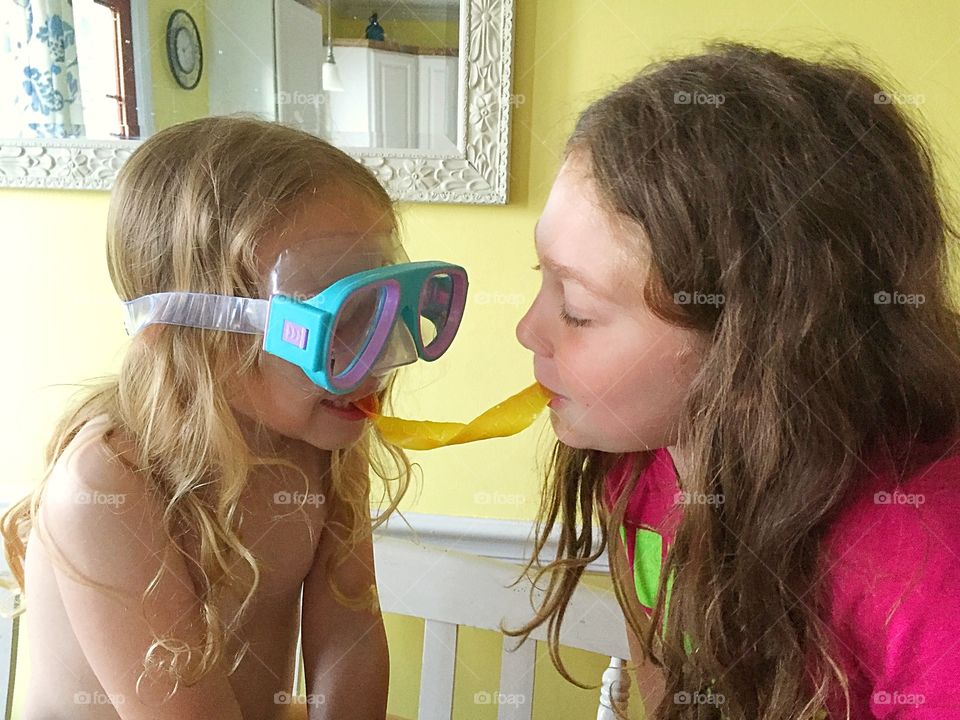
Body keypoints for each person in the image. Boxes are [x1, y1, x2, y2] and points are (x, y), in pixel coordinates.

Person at [512, 42, 960, 719]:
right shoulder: (636, 467)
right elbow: (669, 682)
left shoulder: (927, 574)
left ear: (753, 345)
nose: (527, 329)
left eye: (577, 308)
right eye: (540, 279)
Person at [1, 115, 467, 720]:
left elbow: (347, 641)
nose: (379, 354)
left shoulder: (319, 435)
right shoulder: (108, 487)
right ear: (185, 336)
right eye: (341, 317)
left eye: (387, 306)